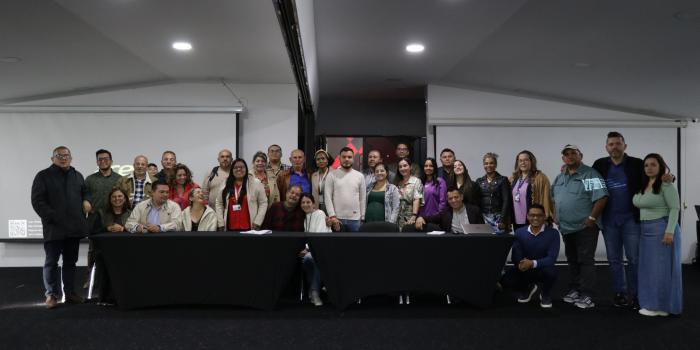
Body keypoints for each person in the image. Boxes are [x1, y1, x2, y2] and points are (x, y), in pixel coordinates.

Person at [592, 131, 675, 309]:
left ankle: (636, 294)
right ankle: (619, 293)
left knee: (634, 259)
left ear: (625, 146)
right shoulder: (599, 164)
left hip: (631, 219)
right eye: (611, 144)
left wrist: (669, 177)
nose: (615, 147)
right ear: (606, 147)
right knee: (614, 260)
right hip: (609, 220)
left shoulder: (637, 163)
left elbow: (653, 175)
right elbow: (589, 184)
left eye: (618, 143)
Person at [31, 146, 91, 309]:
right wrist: (54, 217)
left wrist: (86, 200)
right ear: (52, 159)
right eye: (60, 155)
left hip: (74, 228)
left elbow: (85, 192)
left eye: (67, 155)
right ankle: (51, 295)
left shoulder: (77, 175)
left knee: (70, 262)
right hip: (54, 228)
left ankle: (70, 293)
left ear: (71, 158)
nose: (64, 158)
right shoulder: (43, 176)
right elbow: (38, 201)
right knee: (51, 262)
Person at [551, 144, 608, 309]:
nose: (570, 156)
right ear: (563, 158)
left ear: (580, 156)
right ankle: (575, 290)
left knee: (585, 261)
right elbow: (554, 197)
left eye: (573, 154)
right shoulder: (560, 177)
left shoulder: (589, 175)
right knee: (572, 260)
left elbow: (601, 198)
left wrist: (591, 218)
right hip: (566, 227)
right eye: (566, 154)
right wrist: (555, 215)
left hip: (585, 228)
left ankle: (587, 294)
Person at [632, 153, 682, 316]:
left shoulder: (666, 185)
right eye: (646, 165)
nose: (649, 168)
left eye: (653, 164)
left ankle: (660, 307)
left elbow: (675, 208)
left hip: (662, 229)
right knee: (649, 270)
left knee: (661, 270)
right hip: (645, 231)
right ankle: (653, 304)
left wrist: (669, 232)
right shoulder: (644, 184)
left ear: (661, 166)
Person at [500, 204, 560, 308]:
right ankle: (528, 288)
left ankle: (545, 293)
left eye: (539, 215)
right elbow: (516, 255)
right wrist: (520, 264)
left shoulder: (553, 233)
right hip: (525, 269)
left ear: (544, 217)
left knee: (551, 271)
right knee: (507, 280)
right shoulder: (519, 232)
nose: (535, 218)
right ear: (527, 216)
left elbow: (552, 258)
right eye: (532, 215)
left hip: (542, 268)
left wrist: (532, 263)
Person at [84, 149, 123, 287]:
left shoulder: (119, 179)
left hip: (114, 217)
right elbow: (85, 197)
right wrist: (85, 202)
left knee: (115, 249)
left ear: (111, 161)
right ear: (97, 162)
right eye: (100, 159)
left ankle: (115, 277)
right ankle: (90, 278)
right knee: (93, 250)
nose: (103, 161)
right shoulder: (89, 179)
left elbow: (123, 197)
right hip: (95, 219)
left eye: (106, 159)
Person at [215, 159, 268, 231]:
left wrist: (258, 222)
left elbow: (263, 203)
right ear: (232, 170)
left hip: (250, 226)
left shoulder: (256, 183)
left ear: (246, 169)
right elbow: (219, 203)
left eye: (242, 167)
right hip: (229, 226)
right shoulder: (225, 183)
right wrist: (220, 222)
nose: (239, 169)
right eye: (236, 167)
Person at [300, 193, 333, 306]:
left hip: (325, 249)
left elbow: (319, 236)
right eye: (303, 202)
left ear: (313, 203)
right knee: (307, 260)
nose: (305, 204)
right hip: (314, 250)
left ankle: (314, 292)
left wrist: (307, 249)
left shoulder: (319, 213)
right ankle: (315, 289)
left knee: (315, 259)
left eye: (308, 202)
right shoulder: (305, 218)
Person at [325, 147, 366, 232]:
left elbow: (362, 198)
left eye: (349, 157)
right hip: (337, 219)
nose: (346, 159)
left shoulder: (360, 176)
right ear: (339, 158)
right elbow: (327, 197)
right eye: (344, 157)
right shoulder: (332, 175)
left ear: (353, 158)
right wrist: (332, 216)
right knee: (338, 245)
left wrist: (362, 217)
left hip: (356, 220)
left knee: (355, 245)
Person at [510, 150, 553, 230]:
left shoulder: (540, 178)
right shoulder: (513, 179)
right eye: (520, 161)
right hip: (517, 221)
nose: (523, 163)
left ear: (531, 161)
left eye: (526, 160)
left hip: (534, 220)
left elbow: (546, 199)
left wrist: (545, 216)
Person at [413, 188, 484, 233]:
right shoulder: (446, 212)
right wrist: (421, 217)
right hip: (452, 242)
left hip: (472, 241)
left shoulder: (474, 210)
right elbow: (433, 218)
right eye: (450, 198)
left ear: (462, 197)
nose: (453, 200)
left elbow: (483, 229)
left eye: (456, 197)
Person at [475, 153, 513, 234]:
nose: (489, 165)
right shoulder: (479, 181)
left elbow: (506, 200)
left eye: (491, 163)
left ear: (495, 165)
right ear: (483, 165)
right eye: (486, 163)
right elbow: (477, 200)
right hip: (483, 216)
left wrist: (502, 219)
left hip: (498, 217)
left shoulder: (503, 180)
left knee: (498, 242)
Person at [394, 157, 423, 230]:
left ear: (410, 167)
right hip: (397, 218)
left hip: (410, 218)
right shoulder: (398, 183)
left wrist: (414, 215)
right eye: (400, 167)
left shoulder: (416, 181)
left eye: (405, 165)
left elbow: (416, 199)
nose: (402, 168)